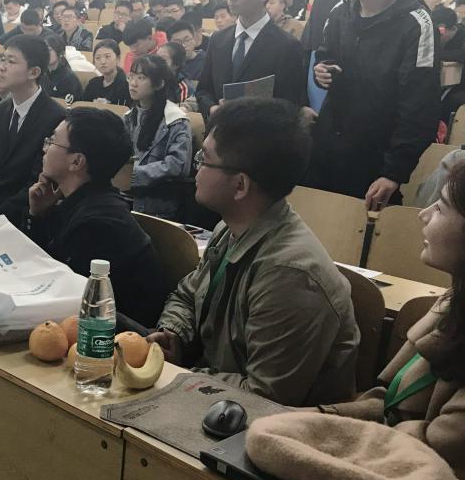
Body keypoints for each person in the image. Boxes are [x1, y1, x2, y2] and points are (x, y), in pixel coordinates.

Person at [147, 98, 359, 407]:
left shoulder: (290, 275)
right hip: (211, 400)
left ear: (240, 185)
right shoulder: (229, 229)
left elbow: (263, 397)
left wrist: (177, 375)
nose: (196, 168)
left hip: (263, 422)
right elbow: (188, 295)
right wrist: (173, 334)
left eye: (205, 159)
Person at [321, 161, 465, 479]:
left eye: (440, 208)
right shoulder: (452, 304)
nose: (423, 214)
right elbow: (388, 403)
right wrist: (321, 415)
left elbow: (438, 450)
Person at [308, 0, 441, 209]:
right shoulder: (341, 11)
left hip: (374, 161)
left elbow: (420, 107)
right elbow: (326, 53)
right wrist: (323, 70)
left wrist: (393, 172)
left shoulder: (415, 24)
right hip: (326, 149)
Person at [27, 108, 168, 332]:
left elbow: (59, 296)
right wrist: (39, 214)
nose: (45, 148)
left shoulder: (97, 224)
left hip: (118, 339)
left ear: (76, 161)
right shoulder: (84, 202)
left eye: (52, 141)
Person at [0, 36, 66, 228]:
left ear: (34, 72)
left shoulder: (55, 118)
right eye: (2, 59)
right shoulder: (2, 110)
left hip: (23, 216)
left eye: (11, 61)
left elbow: (39, 183)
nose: (1, 67)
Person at [196, 0, 306, 121]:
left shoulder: (287, 45)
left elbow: (290, 103)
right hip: (219, 130)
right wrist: (213, 109)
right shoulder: (218, 39)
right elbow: (203, 90)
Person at [123, 54, 193, 220]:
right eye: (131, 76)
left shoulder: (176, 120)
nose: (133, 83)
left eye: (141, 78)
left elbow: (177, 165)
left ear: (159, 84)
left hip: (158, 206)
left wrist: (133, 175)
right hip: (124, 198)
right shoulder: (128, 118)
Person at [83, 40, 130, 105]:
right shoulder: (92, 84)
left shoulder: (127, 85)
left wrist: (108, 106)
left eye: (107, 56)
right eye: (98, 58)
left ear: (118, 58)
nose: (102, 62)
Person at [44, 35, 83, 101]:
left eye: (49, 50)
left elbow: (67, 104)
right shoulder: (41, 73)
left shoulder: (68, 78)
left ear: (60, 52)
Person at [156, 40, 194, 107]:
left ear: (176, 64)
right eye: (156, 58)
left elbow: (181, 111)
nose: (156, 63)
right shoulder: (151, 79)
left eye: (163, 60)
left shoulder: (183, 87)